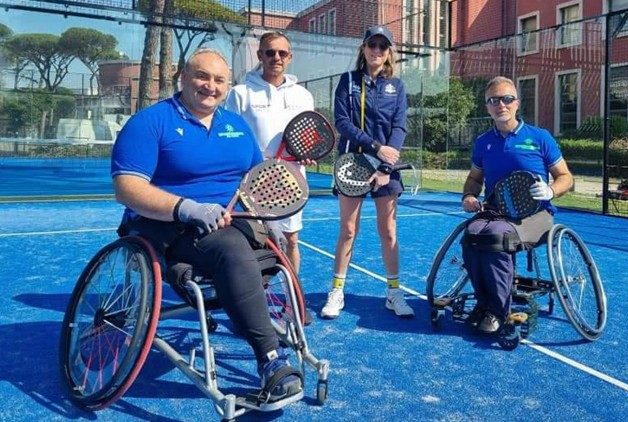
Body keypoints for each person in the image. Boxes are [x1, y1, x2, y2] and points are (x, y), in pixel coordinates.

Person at [110, 48, 303, 408]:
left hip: (230, 222)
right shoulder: (150, 123)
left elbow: (255, 179)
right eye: (202, 76)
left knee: (267, 249)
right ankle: (271, 359)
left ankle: (246, 309)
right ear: (183, 78)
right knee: (231, 249)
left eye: (218, 80)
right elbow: (127, 188)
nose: (209, 86)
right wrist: (187, 208)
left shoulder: (235, 125)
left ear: (227, 86)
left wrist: (265, 219)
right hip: (167, 227)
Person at [460, 76, 573, 338]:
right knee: (472, 233)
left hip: (536, 215)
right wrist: (468, 196)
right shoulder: (483, 142)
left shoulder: (539, 137)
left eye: (507, 99)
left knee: (496, 235)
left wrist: (551, 190)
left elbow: (566, 177)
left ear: (517, 104)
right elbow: (475, 178)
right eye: (494, 100)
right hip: (496, 211)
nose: (501, 104)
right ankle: (485, 302)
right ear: (487, 107)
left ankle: (498, 311)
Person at [321, 25, 414, 319]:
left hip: (387, 169)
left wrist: (387, 166)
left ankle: (394, 293)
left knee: (388, 232)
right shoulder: (347, 81)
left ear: (389, 53)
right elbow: (343, 123)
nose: (376, 50)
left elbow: (399, 127)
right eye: (372, 44)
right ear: (363, 49)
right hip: (352, 165)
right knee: (348, 230)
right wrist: (376, 147)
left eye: (382, 46)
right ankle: (336, 291)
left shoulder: (396, 87)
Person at [225, 31, 314, 276]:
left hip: (291, 180)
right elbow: (231, 135)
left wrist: (306, 153)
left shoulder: (303, 96)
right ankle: (259, 295)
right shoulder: (240, 93)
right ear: (260, 55)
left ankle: (292, 298)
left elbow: (306, 136)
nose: (276, 57)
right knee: (258, 241)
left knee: (291, 240)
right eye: (270, 52)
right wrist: (254, 159)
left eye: (282, 53)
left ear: (290, 57)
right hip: (254, 181)